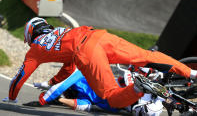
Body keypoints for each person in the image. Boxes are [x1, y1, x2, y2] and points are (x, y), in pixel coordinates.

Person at [3, 17, 197, 108]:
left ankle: (138, 88)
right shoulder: (60, 30)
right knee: (146, 56)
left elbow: (20, 76)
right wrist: (53, 82)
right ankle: (191, 73)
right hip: (98, 35)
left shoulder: (35, 49)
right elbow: (68, 68)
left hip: (86, 51)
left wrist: (11, 98)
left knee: (111, 97)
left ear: (30, 34)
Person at [36, 67, 164, 115]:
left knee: (148, 108)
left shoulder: (82, 90)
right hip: (119, 90)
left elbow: (81, 106)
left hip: (118, 99)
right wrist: (58, 98)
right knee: (130, 79)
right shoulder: (80, 76)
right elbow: (81, 105)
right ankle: (149, 76)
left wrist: (59, 99)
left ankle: (147, 79)